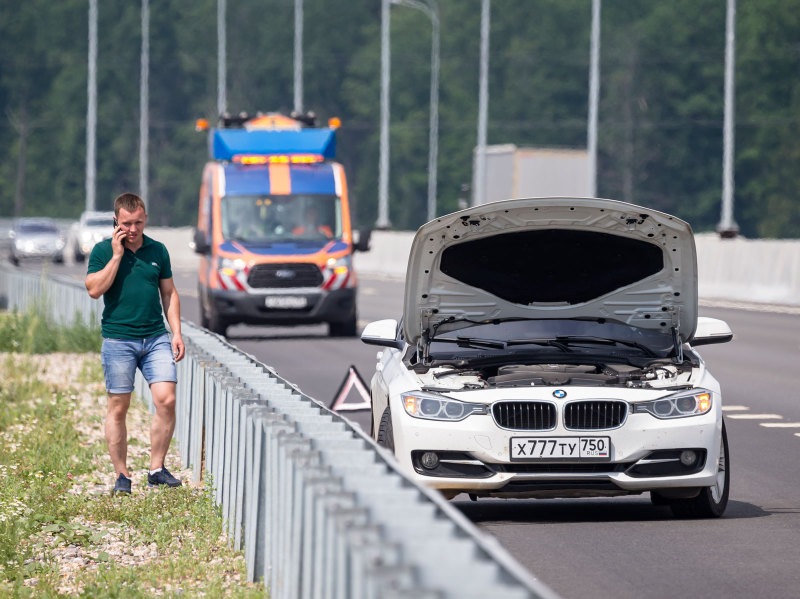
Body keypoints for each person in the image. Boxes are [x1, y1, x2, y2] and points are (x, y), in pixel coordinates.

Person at [85, 193, 186, 496]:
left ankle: (156, 468)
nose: (133, 229)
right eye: (126, 223)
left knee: (166, 399)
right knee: (119, 406)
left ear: (145, 220)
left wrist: (177, 332)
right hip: (118, 339)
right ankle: (122, 475)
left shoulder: (158, 250)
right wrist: (117, 255)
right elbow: (94, 289)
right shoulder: (103, 250)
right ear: (116, 221)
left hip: (155, 337)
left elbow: (169, 293)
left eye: (138, 223)